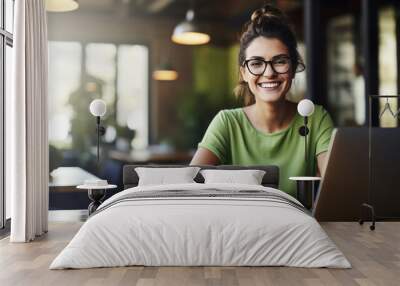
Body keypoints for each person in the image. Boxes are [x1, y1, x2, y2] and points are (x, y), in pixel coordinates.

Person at [190, 4, 334, 197]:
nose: (269, 73)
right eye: (256, 63)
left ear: (293, 68)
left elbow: (336, 191)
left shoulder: (316, 118)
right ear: (244, 73)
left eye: (280, 61)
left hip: (298, 226)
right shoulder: (227, 123)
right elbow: (190, 187)